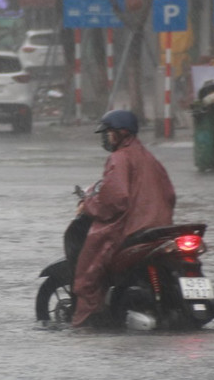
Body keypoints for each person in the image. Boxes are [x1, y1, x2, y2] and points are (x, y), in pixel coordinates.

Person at [70, 109, 176, 329]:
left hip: (129, 229)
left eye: (108, 132)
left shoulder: (119, 158)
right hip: (160, 229)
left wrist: (88, 205)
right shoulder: (149, 157)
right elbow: (170, 195)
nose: (106, 137)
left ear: (119, 133)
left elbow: (115, 200)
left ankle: (88, 321)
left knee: (88, 273)